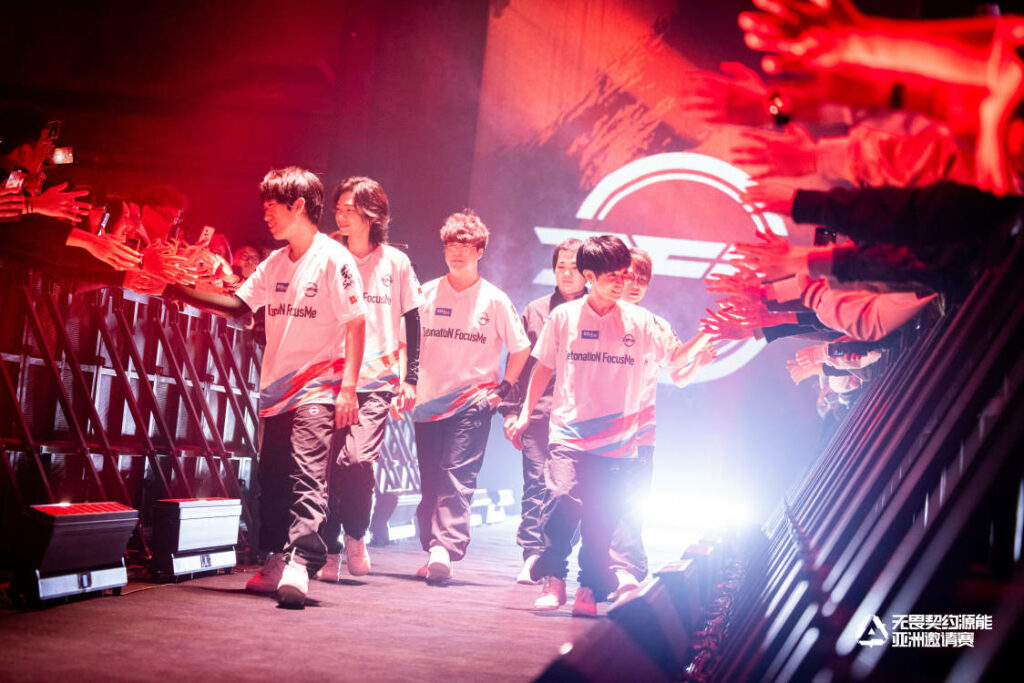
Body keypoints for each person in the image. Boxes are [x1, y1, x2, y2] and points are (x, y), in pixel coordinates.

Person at [166, 166, 367, 608]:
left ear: (299, 206)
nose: (266, 216)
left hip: (319, 387)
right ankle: (276, 557)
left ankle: (301, 561)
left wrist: (349, 388)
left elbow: (356, 324)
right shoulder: (275, 263)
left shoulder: (334, 259)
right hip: (277, 392)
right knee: (273, 479)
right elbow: (239, 305)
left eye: (272, 207)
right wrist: (176, 289)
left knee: (307, 475)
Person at [506, 235, 697, 617]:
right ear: (589, 276)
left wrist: (712, 334)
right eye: (613, 276)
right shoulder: (564, 317)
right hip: (568, 434)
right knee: (561, 499)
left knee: (600, 519)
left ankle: (589, 589)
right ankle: (554, 579)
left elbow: (676, 360)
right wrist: (525, 413)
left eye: (625, 274)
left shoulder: (642, 322)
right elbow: (543, 368)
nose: (622, 282)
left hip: (617, 444)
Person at [412, 209, 531, 582]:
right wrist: (406, 383)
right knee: (431, 480)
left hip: (473, 403)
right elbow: (405, 343)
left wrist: (503, 389)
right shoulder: (425, 293)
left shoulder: (494, 299)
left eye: (466, 245)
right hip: (428, 402)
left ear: (480, 251)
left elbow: (521, 348)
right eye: (451, 244)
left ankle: (444, 548)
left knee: (456, 475)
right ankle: (433, 547)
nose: (457, 251)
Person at [315, 176, 423, 580]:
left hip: (376, 380)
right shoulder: (327, 255)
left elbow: (413, 321)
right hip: (328, 377)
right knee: (327, 467)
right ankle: (329, 548)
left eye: (350, 209)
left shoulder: (395, 262)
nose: (341, 216)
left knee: (357, 460)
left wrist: (410, 378)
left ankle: (356, 534)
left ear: (372, 215)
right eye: (338, 209)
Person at [608, 248, 716, 600]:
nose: (634, 285)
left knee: (630, 503)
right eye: (628, 277)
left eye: (642, 279)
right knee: (595, 505)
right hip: (592, 432)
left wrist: (702, 349)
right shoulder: (591, 316)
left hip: (639, 432)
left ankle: (625, 571)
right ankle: (595, 571)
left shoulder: (654, 324)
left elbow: (676, 368)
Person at [498, 237, 586, 584]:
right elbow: (518, 363)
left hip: (580, 420)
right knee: (535, 485)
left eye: (574, 267)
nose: (567, 273)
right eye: (561, 266)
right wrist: (511, 411)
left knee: (566, 492)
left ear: (588, 272)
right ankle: (532, 554)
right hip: (537, 414)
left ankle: (555, 552)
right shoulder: (535, 311)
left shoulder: (598, 312)